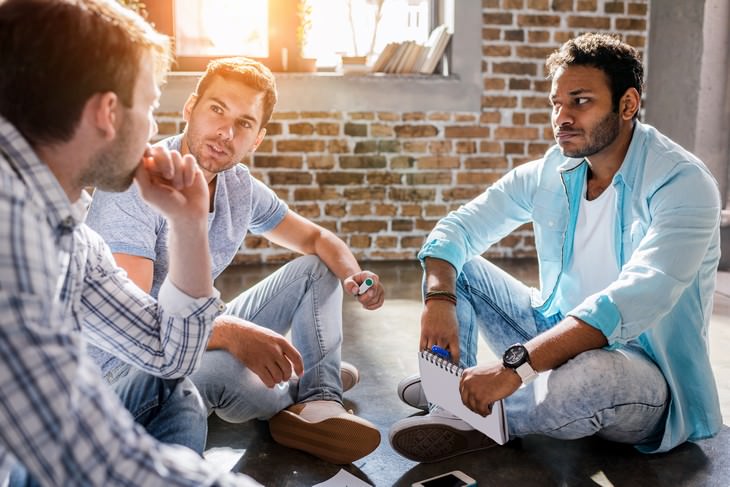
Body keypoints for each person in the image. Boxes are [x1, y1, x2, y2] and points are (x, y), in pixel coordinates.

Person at [389, 33, 723, 463]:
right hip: (556, 335)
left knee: (596, 374)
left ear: (627, 105)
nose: (561, 117)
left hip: (642, 376)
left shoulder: (682, 183)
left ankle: (475, 404)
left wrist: (513, 368)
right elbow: (457, 228)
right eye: (556, 103)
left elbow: (632, 299)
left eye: (580, 101)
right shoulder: (555, 168)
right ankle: (452, 406)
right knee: (460, 269)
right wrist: (439, 299)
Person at [0, 0, 260, 485]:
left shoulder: (67, 231)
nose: (156, 130)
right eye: (151, 104)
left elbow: (168, 354)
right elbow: (74, 449)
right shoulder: (10, 226)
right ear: (108, 113)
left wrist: (187, 227)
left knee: (173, 388)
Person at [84, 56, 385, 465]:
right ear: (190, 108)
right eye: (217, 110)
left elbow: (317, 238)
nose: (225, 132)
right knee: (230, 373)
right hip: (125, 374)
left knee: (316, 268)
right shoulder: (136, 182)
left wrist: (355, 277)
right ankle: (294, 388)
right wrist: (231, 333)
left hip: (193, 334)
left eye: (244, 123)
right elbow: (137, 325)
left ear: (257, 138)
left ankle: (318, 397)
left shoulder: (237, 185)